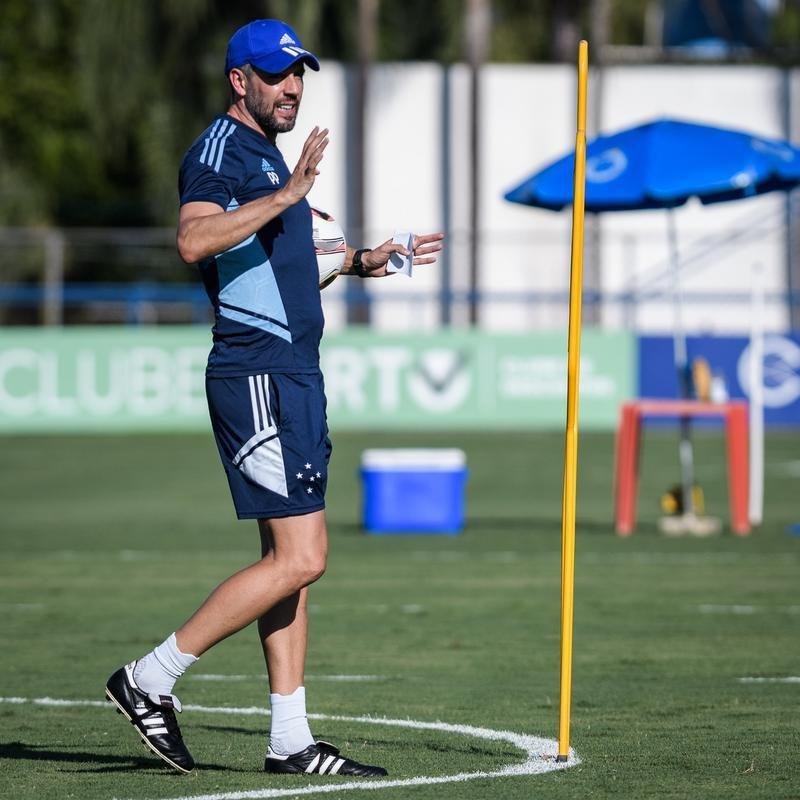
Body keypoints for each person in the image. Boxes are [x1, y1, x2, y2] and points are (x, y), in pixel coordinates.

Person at [104, 18, 443, 778]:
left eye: (299, 75)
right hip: (255, 375)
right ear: (239, 81)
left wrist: (363, 259)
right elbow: (195, 242)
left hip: (294, 376)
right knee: (303, 556)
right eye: (276, 75)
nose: (292, 88)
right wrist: (289, 193)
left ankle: (290, 739)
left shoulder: (267, 158)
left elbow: (279, 262)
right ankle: (148, 678)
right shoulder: (221, 153)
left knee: (287, 559)